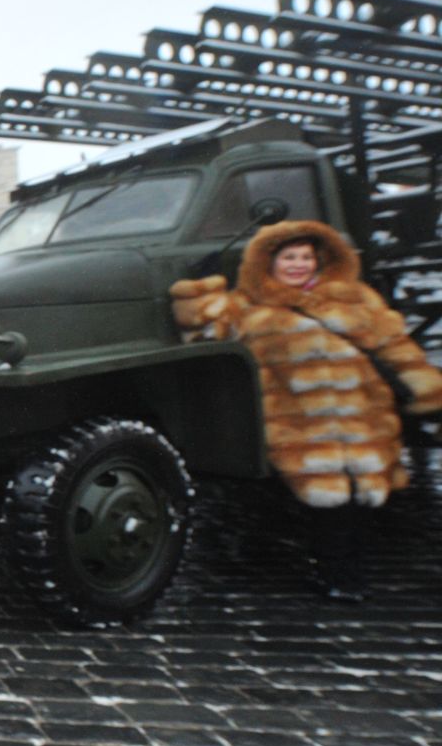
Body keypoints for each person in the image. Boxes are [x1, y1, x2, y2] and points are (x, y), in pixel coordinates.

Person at [170, 220, 442, 598]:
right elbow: (203, 335)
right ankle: (338, 577)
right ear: (268, 262)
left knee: (365, 498)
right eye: (289, 257)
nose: (298, 265)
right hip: (303, 426)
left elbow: (396, 349)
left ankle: (347, 570)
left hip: (364, 415)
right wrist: (203, 290)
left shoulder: (354, 297)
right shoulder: (246, 307)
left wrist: (430, 395)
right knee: (328, 503)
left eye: (306, 257)